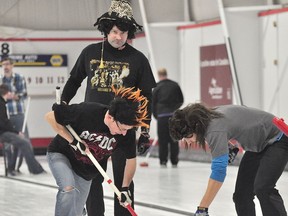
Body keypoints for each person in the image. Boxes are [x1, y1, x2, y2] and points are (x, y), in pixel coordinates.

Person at [60, 1, 156, 215]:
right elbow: (75, 80)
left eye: (122, 33)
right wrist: (63, 104)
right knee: (91, 178)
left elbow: (147, 97)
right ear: (106, 30)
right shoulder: (90, 52)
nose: (118, 37)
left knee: (123, 181)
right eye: (114, 32)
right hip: (93, 126)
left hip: (123, 128)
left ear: (128, 33)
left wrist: (145, 129)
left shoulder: (138, 59)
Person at [45, 86, 149, 216]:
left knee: (75, 212)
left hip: (86, 171)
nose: (123, 134)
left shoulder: (127, 133)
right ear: (110, 118)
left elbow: (131, 160)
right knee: (68, 188)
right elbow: (50, 117)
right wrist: (73, 141)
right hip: (61, 154)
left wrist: (125, 188)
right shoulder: (88, 111)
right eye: (122, 129)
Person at [169, 103, 288, 216]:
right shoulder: (208, 117)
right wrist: (233, 146)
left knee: (263, 188)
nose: (188, 141)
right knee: (241, 196)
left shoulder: (213, 129)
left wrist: (202, 208)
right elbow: (240, 120)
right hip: (258, 144)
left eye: (188, 136)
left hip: (278, 137)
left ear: (195, 125)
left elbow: (219, 172)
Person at [0, 84, 45, 175]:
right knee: (25, 143)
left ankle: (11, 169)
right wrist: (16, 132)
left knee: (18, 143)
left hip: (4, 131)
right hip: (2, 133)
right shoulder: (1, 104)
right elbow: (3, 123)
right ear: (8, 93)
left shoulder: (2, 103)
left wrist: (15, 132)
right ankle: (35, 169)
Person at [1, 56, 30, 174]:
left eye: (8, 64)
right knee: (8, 143)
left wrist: (15, 96)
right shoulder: (1, 80)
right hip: (5, 115)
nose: (5, 67)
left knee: (23, 141)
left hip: (18, 113)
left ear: (12, 65)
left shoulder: (19, 78)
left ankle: (18, 167)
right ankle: (10, 168)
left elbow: (23, 94)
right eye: (3, 64)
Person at [152, 68, 183, 167]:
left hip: (162, 117)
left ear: (159, 75)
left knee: (163, 140)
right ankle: (174, 160)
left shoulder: (157, 87)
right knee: (174, 139)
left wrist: (156, 115)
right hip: (173, 116)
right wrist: (175, 110)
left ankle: (163, 161)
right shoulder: (175, 85)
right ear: (166, 74)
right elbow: (181, 100)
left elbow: (152, 103)